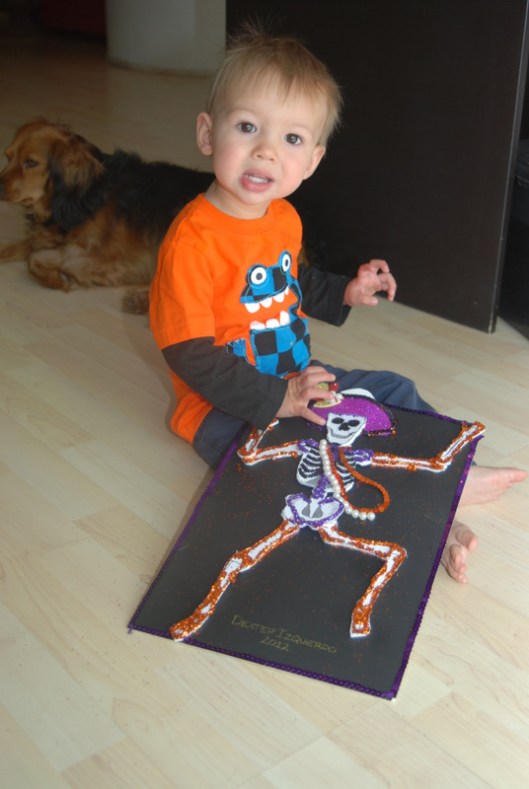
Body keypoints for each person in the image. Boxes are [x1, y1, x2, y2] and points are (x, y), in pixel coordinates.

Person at [149, 26, 526, 584]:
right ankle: (437, 511)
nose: (266, 151)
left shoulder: (283, 218)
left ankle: (443, 472)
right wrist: (278, 399)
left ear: (313, 160)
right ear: (208, 133)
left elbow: (291, 281)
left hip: (299, 380)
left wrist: (344, 291)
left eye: (292, 139)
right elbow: (189, 352)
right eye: (247, 127)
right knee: (306, 465)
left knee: (392, 390)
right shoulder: (192, 241)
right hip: (222, 407)